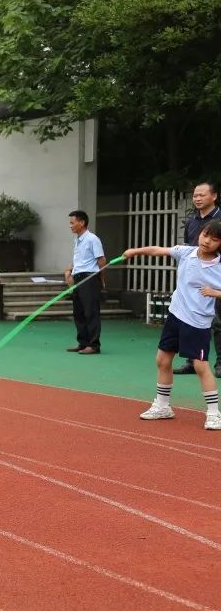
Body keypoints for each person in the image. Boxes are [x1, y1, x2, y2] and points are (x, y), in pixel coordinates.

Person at [124, 218, 221, 431]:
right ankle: (163, 406)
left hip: (197, 322)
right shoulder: (186, 252)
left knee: (200, 365)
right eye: (205, 235)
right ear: (200, 233)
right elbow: (158, 250)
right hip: (176, 315)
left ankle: (214, 414)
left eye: (214, 240)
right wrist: (134, 251)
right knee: (162, 359)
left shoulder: (219, 266)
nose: (207, 242)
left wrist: (216, 293)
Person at [174, 181, 221, 376]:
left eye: (202, 195)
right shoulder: (192, 221)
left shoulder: (219, 220)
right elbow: (186, 248)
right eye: (195, 195)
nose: (197, 199)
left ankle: (220, 362)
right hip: (193, 279)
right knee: (189, 318)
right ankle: (192, 360)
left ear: (214, 196)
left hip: (214, 276)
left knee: (218, 321)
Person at [64, 210, 106, 355]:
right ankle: (83, 343)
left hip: (89, 278)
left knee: (91, 312)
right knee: (79, 312)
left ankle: (94, 345)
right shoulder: (77, 240)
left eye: (72, 222)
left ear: (82, 223)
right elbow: (81, 260)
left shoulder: (92, 239)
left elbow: (101, 260)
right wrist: (71, 270)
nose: (70, 226)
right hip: (78, 278)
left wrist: (101, 279)